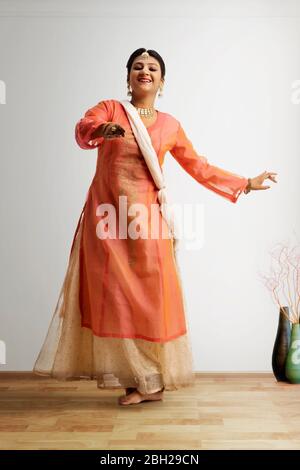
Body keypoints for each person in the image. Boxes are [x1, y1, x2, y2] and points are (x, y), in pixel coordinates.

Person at [33, 48, 278, 406]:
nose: (144, 71)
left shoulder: (169, 125)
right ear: (128, 75)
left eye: (152, 67)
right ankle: (139, 381)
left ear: (162, 81)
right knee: (114, 301)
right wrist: (101, 128)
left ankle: (152, 381)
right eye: (137, 66)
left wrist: (245, 182)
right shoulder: (111, 109)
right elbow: (83, 128)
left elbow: (198, 166)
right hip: (107, 224)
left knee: (150, 301)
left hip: (147, 223)